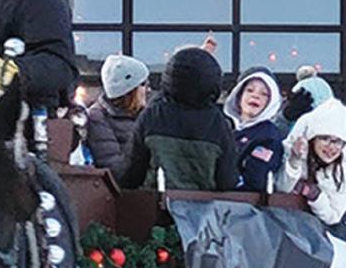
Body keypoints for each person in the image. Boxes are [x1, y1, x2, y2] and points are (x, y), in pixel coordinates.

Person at [118, 45, 239, 191]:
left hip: (156, 202)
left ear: (170, 78)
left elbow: (130, 174)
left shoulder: (152, 116)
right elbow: (227, 181)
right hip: (204, 204)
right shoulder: (218, 123)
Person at [284, 70, 346, 201]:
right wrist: (284, 118)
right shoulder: (291, 130)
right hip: (289, 204)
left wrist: (332, 186)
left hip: (338, 205)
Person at [276, 99, 346, 226]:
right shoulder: (293, 152)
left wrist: (315, 195)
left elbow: (334, 215)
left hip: (316, 231)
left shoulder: (344, 169)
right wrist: (294, 161)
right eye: (325, 139)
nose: (331, 147)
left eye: (337, 141)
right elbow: (281, 189)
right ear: (312, 139)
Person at [85, 54, 151, 176]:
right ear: (129, 90)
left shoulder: (146, 114)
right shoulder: (98, 117)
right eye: (143, 84)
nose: (148, 89)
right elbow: (115, 168)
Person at [223, 67, 287, 192]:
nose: (255, 96)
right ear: (238, 96)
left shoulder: (269, 136)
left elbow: (256, 180)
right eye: (250, 90)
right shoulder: (224, 127)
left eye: (264, 94)